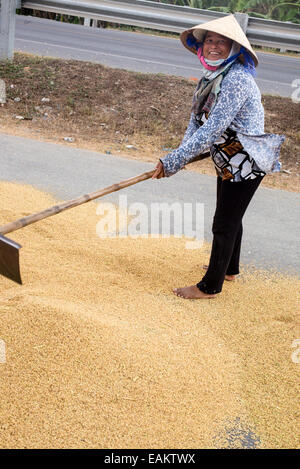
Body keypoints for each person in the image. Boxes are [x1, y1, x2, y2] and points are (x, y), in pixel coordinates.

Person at [152, 14, 285, 300]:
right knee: (230, 216)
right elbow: (196, 121)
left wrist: (173, 161)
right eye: (209, 40)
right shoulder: (211, 76)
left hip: (246, 159)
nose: (213, 46)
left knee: (223, 222)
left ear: (233, 47)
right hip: (227, 157)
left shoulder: (236, 78)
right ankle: (229, 269)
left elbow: (213, 127)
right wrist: (177, 158)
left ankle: (209, 287)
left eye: (220, 42)